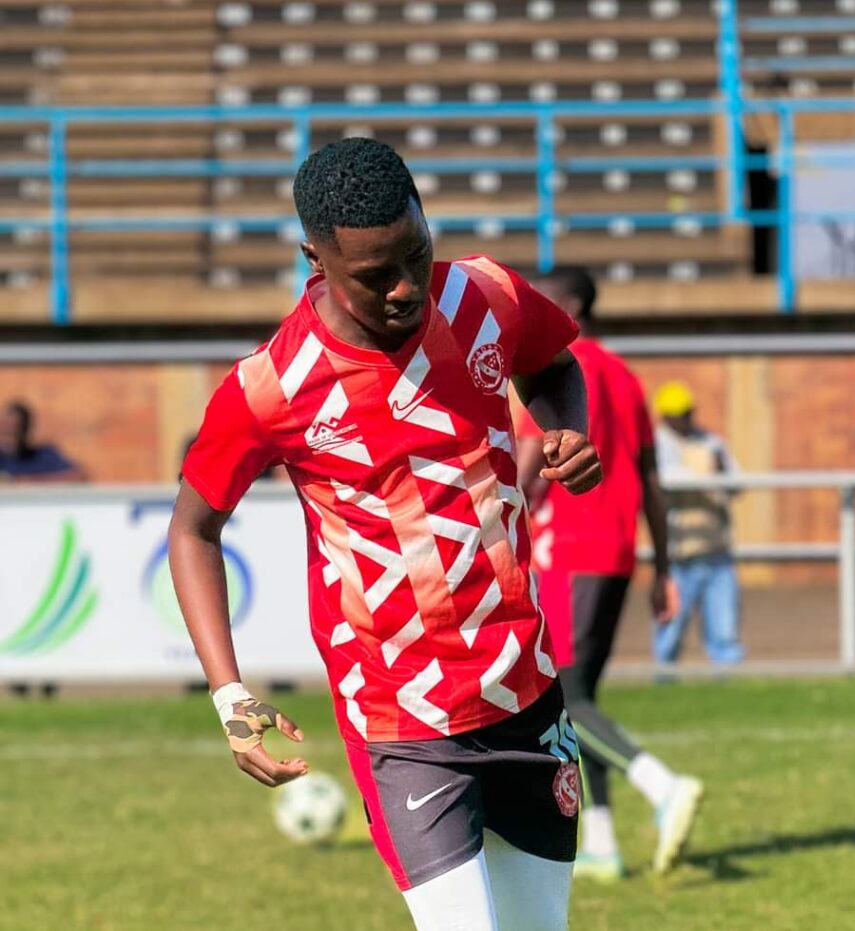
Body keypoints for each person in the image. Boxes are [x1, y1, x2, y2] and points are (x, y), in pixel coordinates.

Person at [168, 138, 603, 931]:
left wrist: (564, 429)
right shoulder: (271, 386)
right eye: (375, 275)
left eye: (416, 254)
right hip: (403, 720)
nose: (405, 288)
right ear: (316, 259)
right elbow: (194, 529)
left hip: (526, 690)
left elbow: (554, 364)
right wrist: (230, 692)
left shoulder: (486, 294)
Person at [517, 266, 703, 883]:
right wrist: (662, 566)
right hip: (616, 554)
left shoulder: (557, 369)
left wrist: (496, 522)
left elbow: (529, 459)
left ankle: (662, 785)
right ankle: (600, 841)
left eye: (542, 302)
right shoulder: (624, 375)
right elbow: (651, 477)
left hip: (570, 553)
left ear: (569, 307)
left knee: (565, 704)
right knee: (581, 701)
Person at [651, 382, 744, 666]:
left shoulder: (711, 441)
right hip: (678, 554)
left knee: (724, 628)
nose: (686, 419)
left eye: (687, 413)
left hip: (716, 549)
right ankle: (664, 675)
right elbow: (668, 477)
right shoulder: (659, 444)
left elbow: (738, 482)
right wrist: (708, 475)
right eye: (679, 414)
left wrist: (720, 473)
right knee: (670, 628)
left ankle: (728, 676)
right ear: (666, 417)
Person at [0, 400, 85, 482]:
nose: (9, 431)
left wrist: (28, 481)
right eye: (5, 427)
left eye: (15, 427)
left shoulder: (44, 456)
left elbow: (78, 476)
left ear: (25, 429)